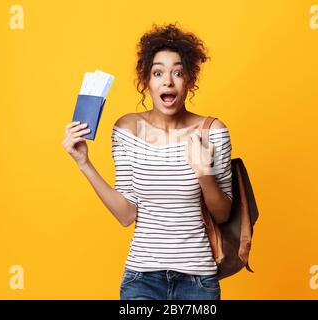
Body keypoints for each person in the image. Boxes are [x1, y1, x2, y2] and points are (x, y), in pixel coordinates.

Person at [62, 22, 233, 300]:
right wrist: (84, 163)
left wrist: (204, 172)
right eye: (158, 73)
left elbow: (223, 213)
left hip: (198, 281)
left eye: (178, 72)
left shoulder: (212, 132)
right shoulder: (126, 130)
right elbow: (126, 215)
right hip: (141, 279)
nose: (168, 81)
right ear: (147, 81)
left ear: (189, 80)